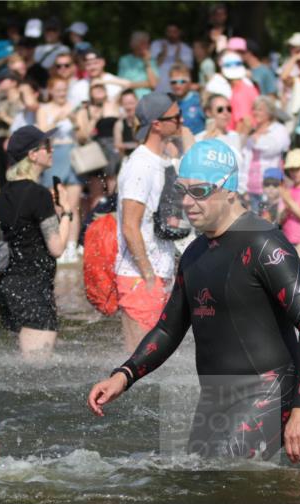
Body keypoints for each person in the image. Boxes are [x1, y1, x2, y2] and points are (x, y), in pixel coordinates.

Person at [87, 139, 300, 464]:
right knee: (200, 480)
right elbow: (168, 329)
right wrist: (123, 375)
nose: (187, 202)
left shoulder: (264, 243)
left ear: (229, 190)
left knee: (226, 479)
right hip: (216, 397)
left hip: (270, 391)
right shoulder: (194, 254)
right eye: (182, 191)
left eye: (199, 191)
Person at [0, 126, 75, 356]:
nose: (52, 150)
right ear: (32, 155)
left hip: (8, 286)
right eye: (46, 146)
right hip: (33, 288)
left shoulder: (2, 194)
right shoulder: (39, 194)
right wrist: (67, 212)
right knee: (37, 370)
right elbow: (56, 247)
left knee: (21, 364)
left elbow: (22, 235)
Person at [115, 92, 182, 351]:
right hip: (139, 277)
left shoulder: (162, 160)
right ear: (156, 124)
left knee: (157, 361)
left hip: (160, 274)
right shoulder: (140, 165)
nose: (181, 121)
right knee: (139, 360)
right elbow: (130, 226)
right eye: (176, 117)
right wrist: (149, 275)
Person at [37, 76, 82, 262]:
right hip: (54, 156)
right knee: (55, 204)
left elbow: (84, 134)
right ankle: (58, 245)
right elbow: (41, 133)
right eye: (58, 89)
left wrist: (75, 120)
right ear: (50, 91)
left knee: (73, 205)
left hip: (72, 154)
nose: (61, 93)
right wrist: (57, 119)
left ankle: (72, 245)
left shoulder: (74, 107)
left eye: (64, 89)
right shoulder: (44, 109)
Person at [240, 96, 290, 209]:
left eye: (260, 110)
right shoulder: (251, 130)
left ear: (270, 112)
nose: (256, 113)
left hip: (269, 188)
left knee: (266, 219)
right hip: (247, 188)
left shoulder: (278, 129)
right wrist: (244, 133)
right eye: (254, 109)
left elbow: (274, 148)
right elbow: (241, 153)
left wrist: (256, 137)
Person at [151, 23, 194, 94]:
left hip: (177, 89)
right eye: (169, 32)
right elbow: (153, 66)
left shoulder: (186, 49)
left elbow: (186, 72)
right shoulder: (157, 44)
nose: (171, 34)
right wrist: (163, 54)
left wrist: (177, 56)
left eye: (174, 32)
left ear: (179, 32)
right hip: (158, 87)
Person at [118, 31, 159, 98]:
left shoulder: (151, 61)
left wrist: (147, 63)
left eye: (147, 43)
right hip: (130, 99)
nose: (147, 46)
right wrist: (147, 83)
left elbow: (154, 84)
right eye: (143, 43)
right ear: (134, 44)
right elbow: (123, 83)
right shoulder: (124, 60)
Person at [168, 63, 204, 135]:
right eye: (174, 82)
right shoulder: (169, 105)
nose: (178, 85)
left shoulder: (200, 100)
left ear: (190, 82)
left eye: (182, 81)